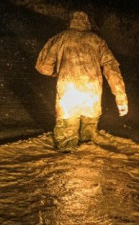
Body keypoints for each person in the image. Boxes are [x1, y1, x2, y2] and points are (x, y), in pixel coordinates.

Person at [35, 10, 129, 152]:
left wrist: (58, 72)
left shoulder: (60, 38)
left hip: (69, 93)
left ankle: (67, 164)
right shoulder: (97, 40)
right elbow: (112, 68)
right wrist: (121, 98)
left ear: (69, 21)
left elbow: (42, 66)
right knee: (88, 142)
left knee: (66, 140)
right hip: (92, 95)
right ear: (87, 22)